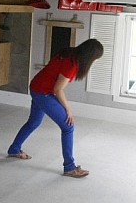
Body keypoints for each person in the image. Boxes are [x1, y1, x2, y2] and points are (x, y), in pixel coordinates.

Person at [7, 38, 104, 178]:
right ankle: (69, 167)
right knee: (68, 126)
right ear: (90, 57)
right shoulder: (72, 64)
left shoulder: (68, 52)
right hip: (43, 92)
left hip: (36, 86)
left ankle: (14, 149)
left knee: (33, 122)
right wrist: (68, 109)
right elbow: (58, 89)